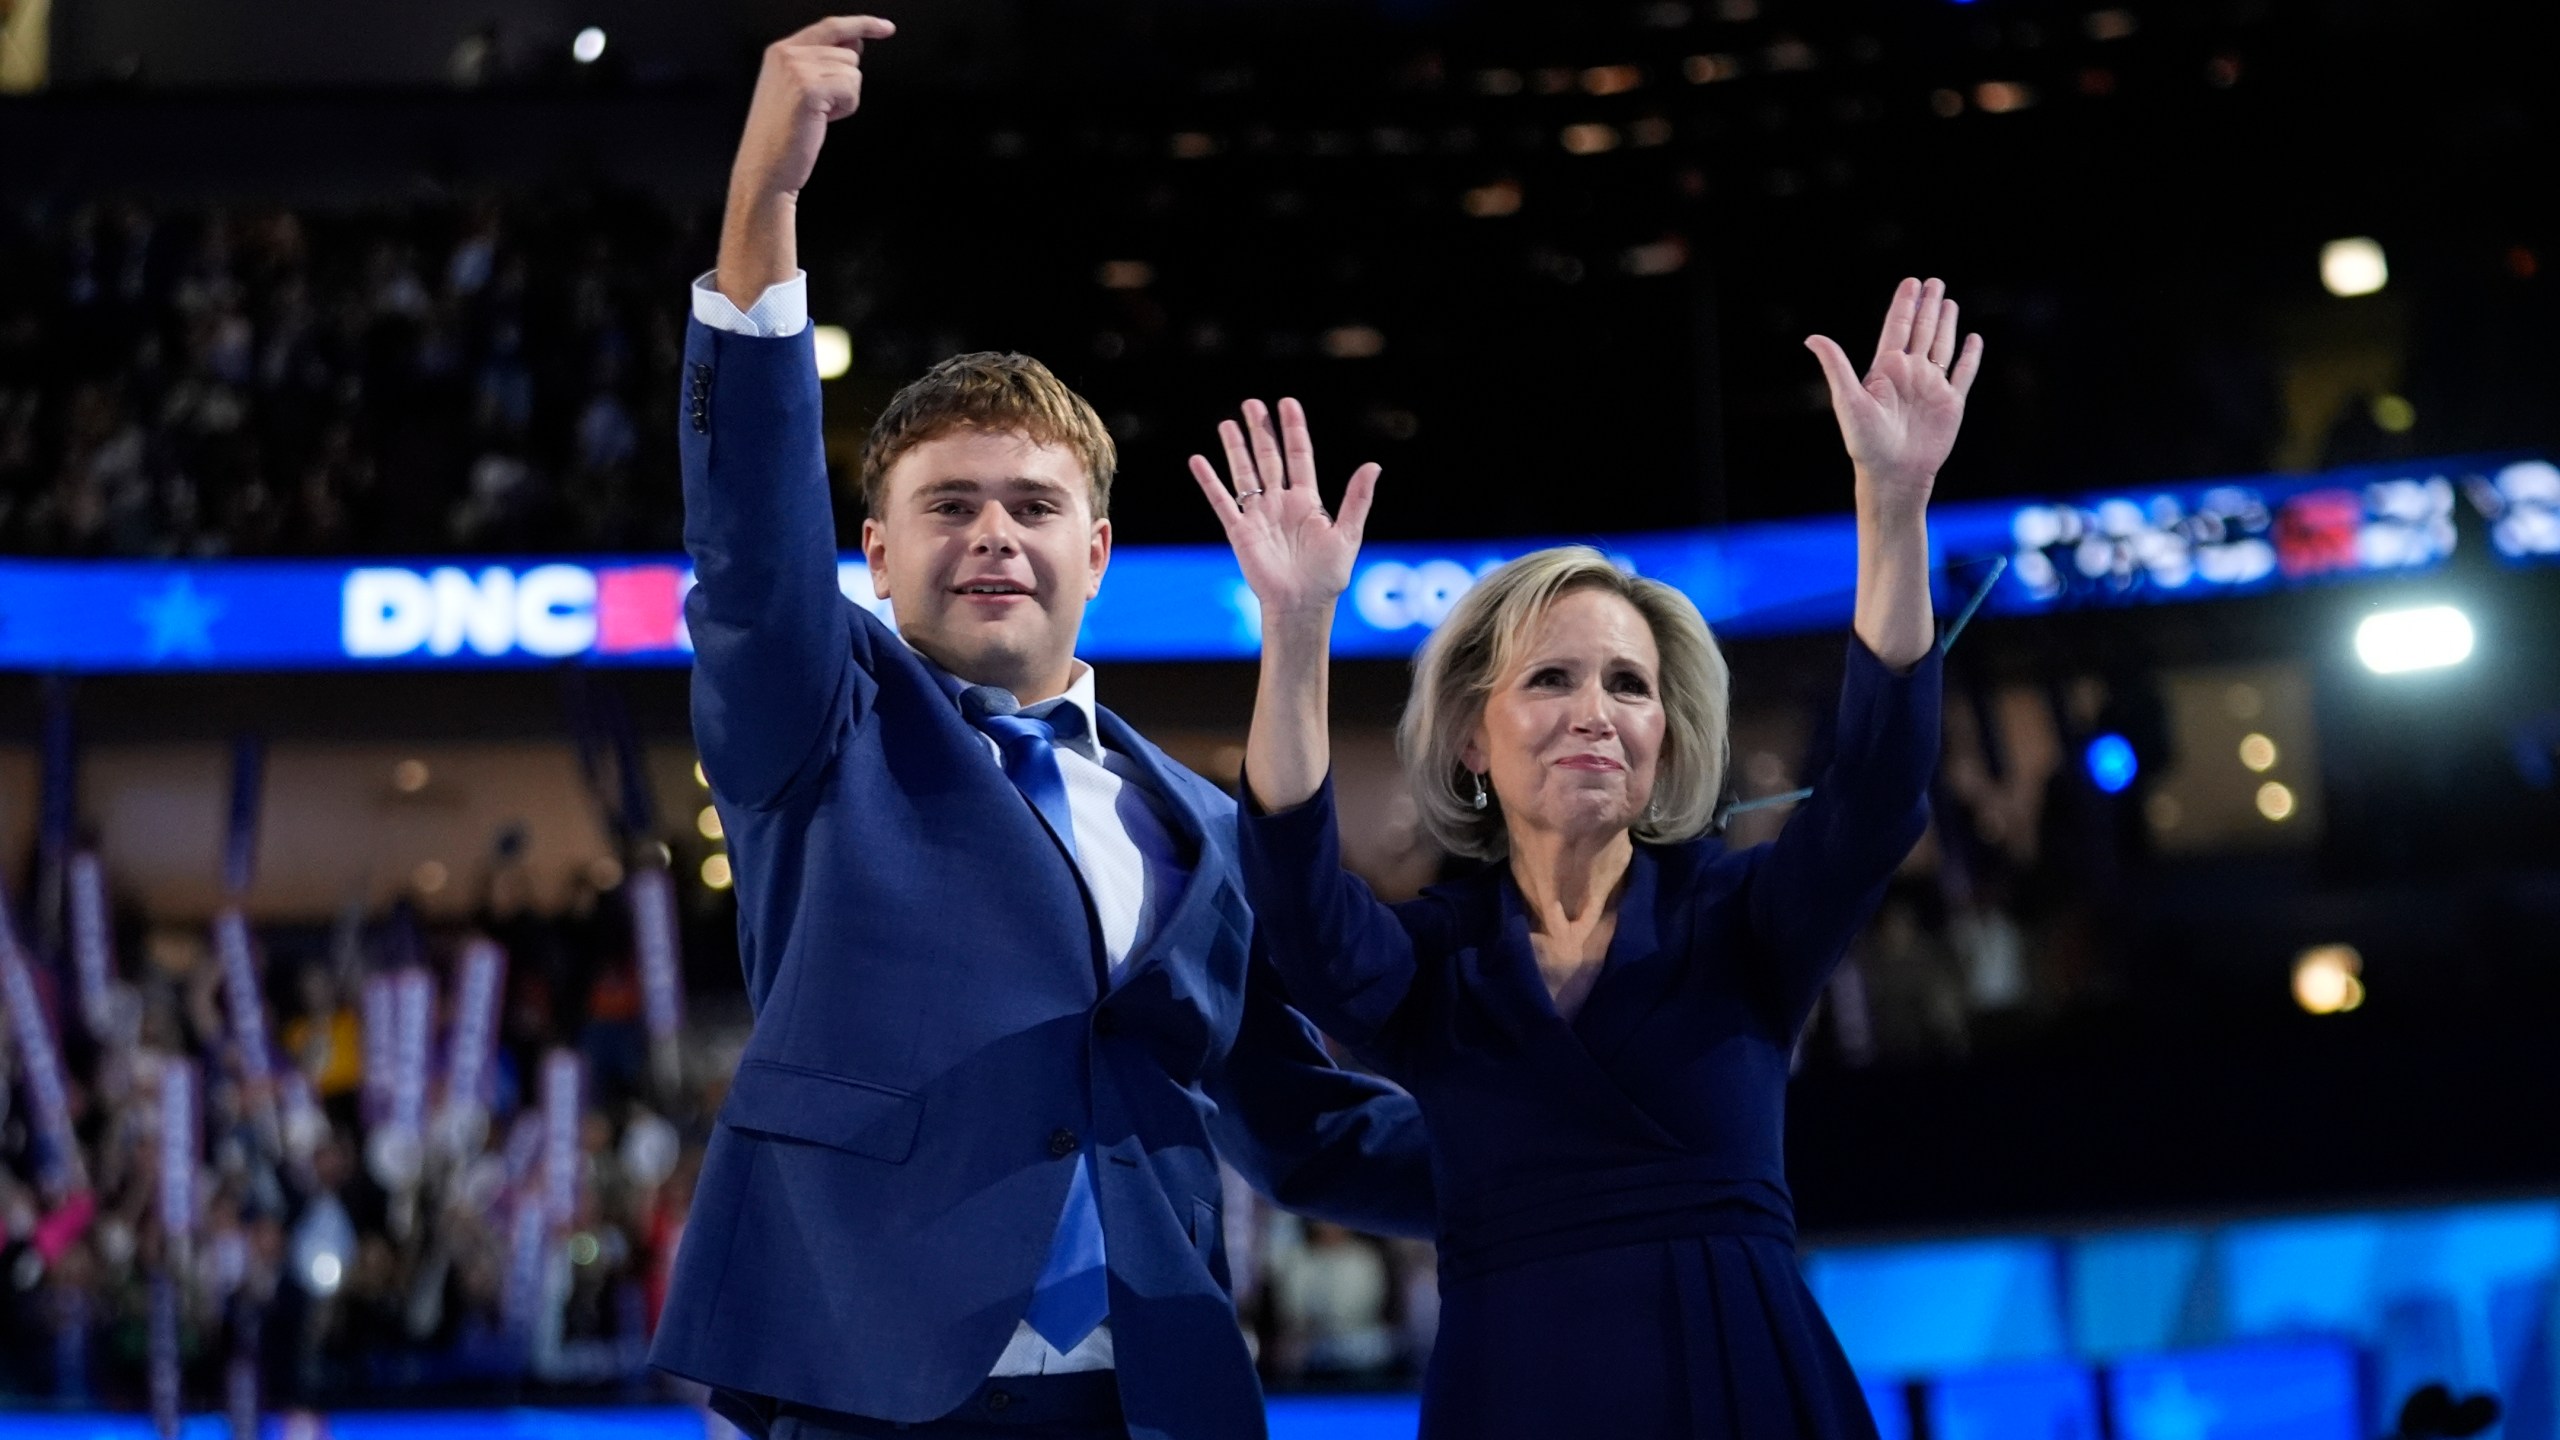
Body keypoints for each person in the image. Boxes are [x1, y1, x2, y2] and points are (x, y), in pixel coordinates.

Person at [647, 18, 1434, 1440]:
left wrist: (1563, 1143)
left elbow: (1304, 1124)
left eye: (1034, 505)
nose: (994, 534)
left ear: (1102, 552)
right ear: (876, 555)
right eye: (949, 506)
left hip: (1152, 1396)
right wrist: (763, 203)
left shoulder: (1201, 829)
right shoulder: (819, 735)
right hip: (867, 1397)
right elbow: (754, 550)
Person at [1198, 279, 1979, 1438]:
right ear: (1471, 735)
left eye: (1628, 685)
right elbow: (1302, 909)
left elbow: (1875, 791)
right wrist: (1298, 630)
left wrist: (1894, 501)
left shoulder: (1743, 924)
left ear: (1666, 742)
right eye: (1550, 679)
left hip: (1746, 1388)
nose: (1594, 712)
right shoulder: (1429, 965)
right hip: (1518, 1393)